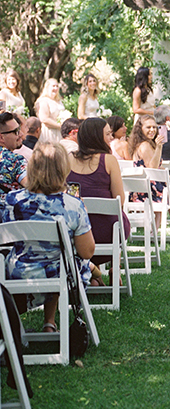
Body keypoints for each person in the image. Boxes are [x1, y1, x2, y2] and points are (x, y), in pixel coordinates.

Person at [2, 143, 95, 332]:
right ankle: (50, 322)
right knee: (61, 261)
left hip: (17, 273)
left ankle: (49, 322)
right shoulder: (72, 205)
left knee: (52, 259)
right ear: (64, 169)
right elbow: (87, 251)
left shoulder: (11, 201)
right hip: (59, 274)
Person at [66, 118, 130, 264]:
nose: (112, 138)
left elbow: (68, 196)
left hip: (76, 233)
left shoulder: (69, 159)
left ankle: (90, 271)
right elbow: (119, 199)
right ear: (96, 137)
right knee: (119, 219)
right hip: (107, 232)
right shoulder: (109, 160)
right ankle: (115, 266)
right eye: (108, 134)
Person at [129, 115, 170, 241]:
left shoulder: (142, 144)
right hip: (145, 191)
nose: (152, 130)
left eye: (154, 127)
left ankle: (164, 229)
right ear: (140, 129)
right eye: (148, 127)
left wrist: (167, 176)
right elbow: (152, 168)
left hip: (144, 188)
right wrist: (159, 147)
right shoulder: (145, 145)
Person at [0, 112, 28, 210]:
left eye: (19, 129)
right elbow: (33, 186)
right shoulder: (15, 160)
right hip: (9, 222)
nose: (21, 134)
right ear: (1, 137)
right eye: (16, 131)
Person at [35, 78, 64, 143]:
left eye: (57, 86)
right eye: (53, 86)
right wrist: (60, 125)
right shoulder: (43, 101)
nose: (55, 88)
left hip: (59, 132)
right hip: (49, 132)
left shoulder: (59, 101)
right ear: (47, 88)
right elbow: (44, 119)